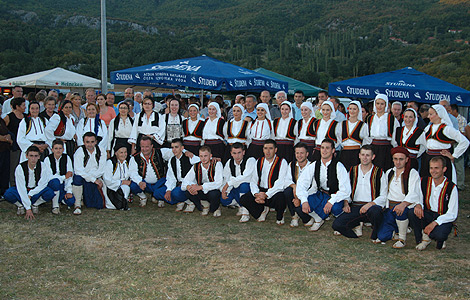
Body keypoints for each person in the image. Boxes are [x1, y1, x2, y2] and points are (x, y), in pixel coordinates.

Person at [295, 139, 351, 232]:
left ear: (333, 150)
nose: (324, 150)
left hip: (336, 195)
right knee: (304, 203)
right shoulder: (315, 165)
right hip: (322, 194)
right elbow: (302, 183)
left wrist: (331, 202)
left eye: (327, 148)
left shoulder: (339, 166)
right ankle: (318, 218)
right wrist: (304, 201)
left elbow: (345, 190)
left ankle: (339, 221)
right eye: (322, 148)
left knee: (335, 207)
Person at [332, 145, 386, 240]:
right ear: (359, 155)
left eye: (368, 155)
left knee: (376, 212)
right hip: (356, 207)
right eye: (363, 155)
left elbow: (384, 196)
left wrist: (369, 205)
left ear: (373, 157)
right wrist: (345, 203)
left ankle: (375, 233)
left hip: (372, 207)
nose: (365, 158)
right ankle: (355, 233)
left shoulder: (380, 172)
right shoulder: (352, 170)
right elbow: (346, 190)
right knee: (337, 225)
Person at [408, 156, 458, 250]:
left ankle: (439, 239)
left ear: (444, 169)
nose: (433, 171)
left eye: (436, 168)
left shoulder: (451, 187)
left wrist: (435, 223)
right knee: (412, 212)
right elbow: (417, 196)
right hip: (428, 213)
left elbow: (452, 214)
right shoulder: (424, 181)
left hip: (442, 217)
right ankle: (423, 239)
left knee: (439, 235)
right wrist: (418, 204)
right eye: (431, 168)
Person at [376, 147, 421, 248]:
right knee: (382, 236)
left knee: (401, 212)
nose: (398, 162)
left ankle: (402, 238)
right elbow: (384, 191)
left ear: (407, 160)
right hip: (391, 207)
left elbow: (414, 192)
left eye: (401, 159)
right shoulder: (389, 172)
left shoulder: (412, 173)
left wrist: (403, 204)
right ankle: (398, 230)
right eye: (395, 159)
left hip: (404, 205)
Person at [240, 139, 288, 225]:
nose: (268, 151)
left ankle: (280, 216)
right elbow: (253, 180)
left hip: (273, 192)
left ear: (275, 150)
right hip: (261, 191)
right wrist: (256, 194)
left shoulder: (282, 162)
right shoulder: (259, 161)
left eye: (270, 148)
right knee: (244, 199)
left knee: (281, 197)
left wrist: (266, 195)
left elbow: (281, 182)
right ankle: (261, 210)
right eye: (266, 148)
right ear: (263, 149)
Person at [421, 104, 469, 184]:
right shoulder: (428, 128)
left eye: (431, 114)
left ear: (439, 115)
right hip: (428, 159)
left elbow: (464, 141)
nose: (428, 116)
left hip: (442, 159)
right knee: (428, 184)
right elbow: (423, 143)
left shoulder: (447, 129)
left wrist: (454, 155)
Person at [3, 146, 54, 219]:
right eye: (31, 156)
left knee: (50, 193)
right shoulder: (20, 168)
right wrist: (28, 208)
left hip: (35, 191)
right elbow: (21, 188)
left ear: (39, 156)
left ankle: (35, 204)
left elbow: (43, 184)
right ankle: (20, 205)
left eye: (36, 156)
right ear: (26, 156)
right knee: (8, 194)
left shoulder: (43, 166)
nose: (33, 159)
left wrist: (31, 194)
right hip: (24, 191)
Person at [129, 136, 174, 207]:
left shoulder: (160, 152)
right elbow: (132, 173)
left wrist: (186, 151)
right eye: (142, 147)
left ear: (152, 146)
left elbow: (174, 151)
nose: (144, 149)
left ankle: (159, 197)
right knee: (133, 185)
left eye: (147, 146)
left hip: (159, 183)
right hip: (145, 184)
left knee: (166, 181)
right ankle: (143, 197)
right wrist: (140, 182)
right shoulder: (134, 158)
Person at [181, 146, 224, 217]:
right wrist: (189, 187)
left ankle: (216, 208)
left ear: (210, 156)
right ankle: (204, 204)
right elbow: (185, 182)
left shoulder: (217, 164)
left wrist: (201, 187)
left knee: (214, 194)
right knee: (188, 191)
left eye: (205, 156)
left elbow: (219, 183)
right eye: (201, 156)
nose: (203, 159)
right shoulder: (196, 166)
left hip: (212, 190)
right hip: (202, 191)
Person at [72, 132, 108, 215]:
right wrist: (92, 179)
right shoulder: (79, 151)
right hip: (84, 177)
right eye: (87, 142)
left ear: (96, 142)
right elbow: (78, 170)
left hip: (96, 177)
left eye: (92, 142)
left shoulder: (101, 150)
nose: (90, 144)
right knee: (77, 178)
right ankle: (77, 205)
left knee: (98, 205)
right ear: (84, 142)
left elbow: (102, 169)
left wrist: (93, 178)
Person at [221, 142, 256, 222]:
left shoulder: (250, 160)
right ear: (231, 153)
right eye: (234, 153)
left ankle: (245, 212)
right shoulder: (229, 162)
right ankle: (239, 204)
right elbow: (226, 178)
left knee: (244, 185)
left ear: (243, 152)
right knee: (224, 200)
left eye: (239, 153)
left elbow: (246, 177)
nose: (237, 156)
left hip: (249, 190)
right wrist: (224, 190)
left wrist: (229, 184)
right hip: (235, 188)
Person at [164, 139, 200, 211]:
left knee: (175, 193)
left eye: (176, 147)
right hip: (178, 184)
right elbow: (171, 177)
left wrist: (213, 159)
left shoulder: (189, 157)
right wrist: (168, 190)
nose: (174, 150)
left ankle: (190, 202)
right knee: (160, 193)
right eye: (172, 147)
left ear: (182, 148)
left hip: (189, 185)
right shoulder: (172, 160)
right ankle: (181, 200)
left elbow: (203, 159)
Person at [365, 94, 399, 171]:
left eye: (382, 104)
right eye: (377, 103)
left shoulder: (392, 119)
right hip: (373, 148)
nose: (379, 106)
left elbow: (395, 137)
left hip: (386, 149)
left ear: (386, 105)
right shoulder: (370, 118)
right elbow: (367, 136)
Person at [283, 143, 314, 227]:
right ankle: (294, 216)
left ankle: (307, 218)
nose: (299, 155)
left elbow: (313, 186)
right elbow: (287, 180)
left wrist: (300, 197)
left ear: (307, 154)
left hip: (308, 193)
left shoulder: (312, 166)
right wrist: (294, 187)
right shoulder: (292, 165)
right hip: (295, 192)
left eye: (302, 153)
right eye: (297, 153)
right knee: (287, 191)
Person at [44, 140, 75, 214]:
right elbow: (48, 177)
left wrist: (69, 191)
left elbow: (70, 175)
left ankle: (61, 199)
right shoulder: (47, 159)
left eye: (60, 148)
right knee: (55, 182)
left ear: (63, 149)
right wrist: (64, 177)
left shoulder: (67, 158)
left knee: (71, 201)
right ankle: (55, 206)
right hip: (52, 184)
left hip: (63, 185)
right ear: (52, 149)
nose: (58, 150)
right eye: (56, 148)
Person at [339, 101, 369, 171]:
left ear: (358, 111)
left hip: (356, 153)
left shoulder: (363, 125)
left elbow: (366, 140)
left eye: (354, 109)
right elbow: (339, 138)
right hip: (344, 153)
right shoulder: (342, 124)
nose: (352, 111)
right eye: (350, 109)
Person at [4, 97, 27, 186]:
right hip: (14, 147)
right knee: (14, 166)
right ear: (17, 106)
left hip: (24, 146)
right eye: (23, 105)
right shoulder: (9, 117)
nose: (25, 107)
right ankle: (13, 185)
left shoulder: (26, 116)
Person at [103, 145, 132, 210]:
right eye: (121, 152)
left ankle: (123, 202)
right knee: (113, 206)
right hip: (112, 188)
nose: (124, 154)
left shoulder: (127, 162)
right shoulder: (110, 163)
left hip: (123, 187)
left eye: (125, 152)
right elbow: (107, 180)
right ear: (116, 153)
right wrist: (121, 182)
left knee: (126, 188)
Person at [449, 104, 467, 190]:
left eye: (450, 110)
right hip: (450, 143)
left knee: (459, 164)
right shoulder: (448, 119)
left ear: (454, 110)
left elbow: (462, 134)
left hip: (457, 144)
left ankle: (460, 184)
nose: (449, 112)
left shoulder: (462, 119)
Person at [0, 113, 12, 198]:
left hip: (5, 150)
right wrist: (6, 139)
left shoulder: (1, 120)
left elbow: (7, 131)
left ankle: (3, 191)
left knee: (5, 170)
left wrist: (8, 136)